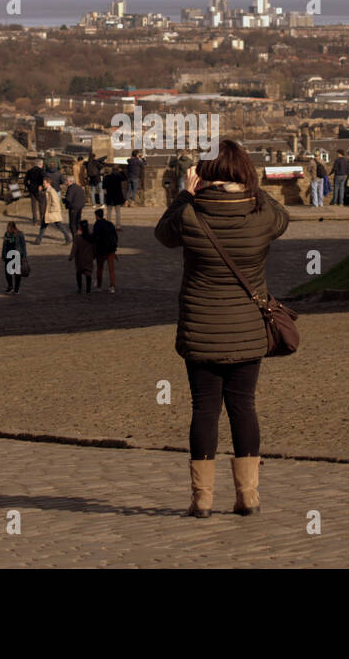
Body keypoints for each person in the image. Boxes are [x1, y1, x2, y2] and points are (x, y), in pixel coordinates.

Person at [154, 138, 290, 519]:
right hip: (248, 329)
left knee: (204, 410)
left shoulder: (190, 214)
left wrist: (184, 192)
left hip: (201, 328)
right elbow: (283, 217)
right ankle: (248, 494)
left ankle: (203, 498)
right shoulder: (261, 214)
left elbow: (163, 235)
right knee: (243, 407)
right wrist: (253, 187)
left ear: (206, 174)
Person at [92, 208, 118, 293]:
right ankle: (112, 286)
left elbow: (94, 238)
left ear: (96, 216)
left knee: (100, 269)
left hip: (101, 250)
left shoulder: (97, 225)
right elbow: (115, 237)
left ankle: (99, 286)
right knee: (111, 270)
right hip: (110, 249)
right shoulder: (110, 224)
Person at [38, 178, 70, 244]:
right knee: (43, 226)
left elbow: (55, 202)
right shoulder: (48, 190)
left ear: (48, 183)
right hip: (49, 212)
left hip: (52, 212)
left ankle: (68, 238)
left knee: (60, 226)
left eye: (44, 183)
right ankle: (38, 240)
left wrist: (51, 210)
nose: (43, 184)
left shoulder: (51, 191)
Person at [68, 219, 95, 294]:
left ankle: (80, 288)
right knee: (88, 273)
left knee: (79, 273)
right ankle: (88, 290)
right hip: (89, 257)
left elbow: (75, 248)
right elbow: (94, 247)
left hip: (80, 258)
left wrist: (71, 257)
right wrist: (94, 255)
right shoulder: (91, 236)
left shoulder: (78, 237)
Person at [2, 221, 27, 295]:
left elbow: (23, 246)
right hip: (8, 254)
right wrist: (3, 255)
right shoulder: (6, 234)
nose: (8, 230)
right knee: (7, 273)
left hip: (16, 255)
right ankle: (10, 286)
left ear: (13, 228)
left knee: (17, 273)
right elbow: (4, 245)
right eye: (7, 228)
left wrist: (24, 256)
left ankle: (16, 289)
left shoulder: (19, 234)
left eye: (9, 228)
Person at [102, 165, 126, 230]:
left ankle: (108, 226)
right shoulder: (118, 177)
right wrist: (122, 172)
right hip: (117, 196)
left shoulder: (106, 177)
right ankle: (118, 226)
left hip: (109, 196)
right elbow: (125, 178)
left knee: (109, 212)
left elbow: (103, 188)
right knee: (118, 212)